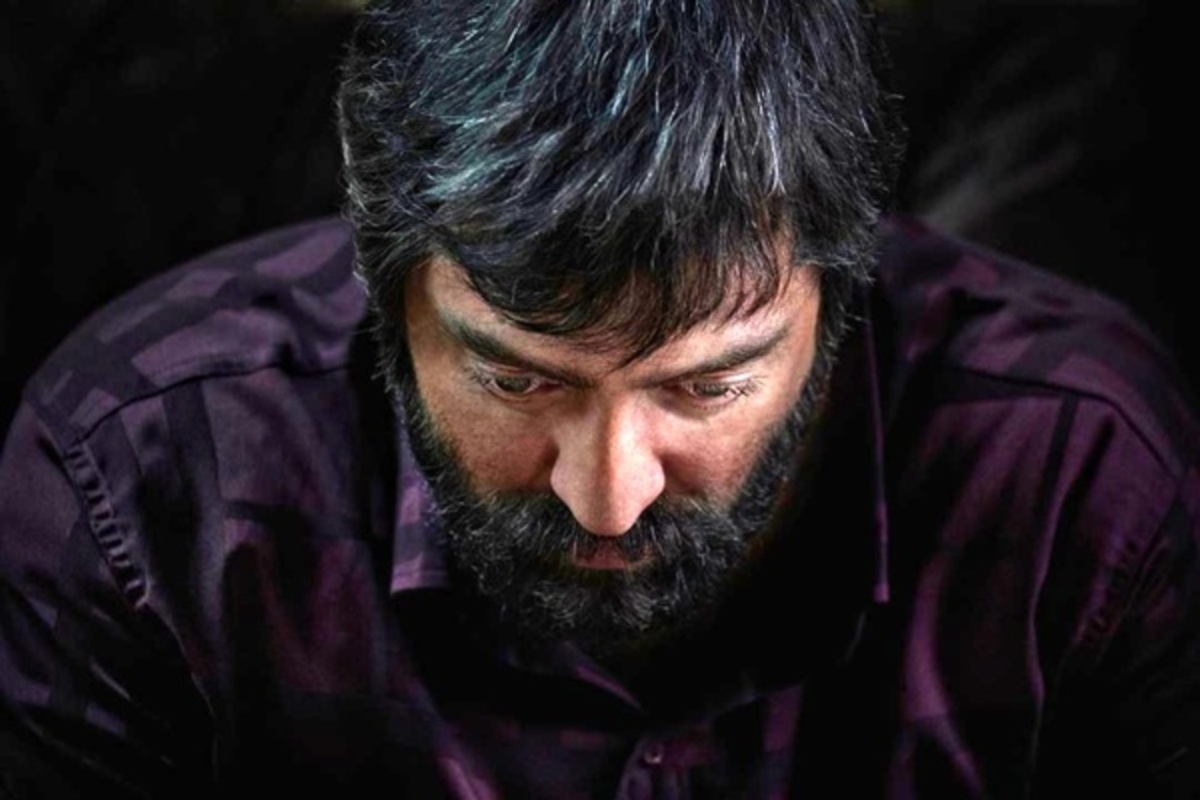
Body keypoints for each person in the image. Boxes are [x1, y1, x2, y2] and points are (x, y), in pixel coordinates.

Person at [0, 0, 1192, 796]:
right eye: (515, 377)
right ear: (382, 264)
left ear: (844, 282)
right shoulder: (137, 482)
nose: (607, 498)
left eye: (707, 384)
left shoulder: (1090, 484)